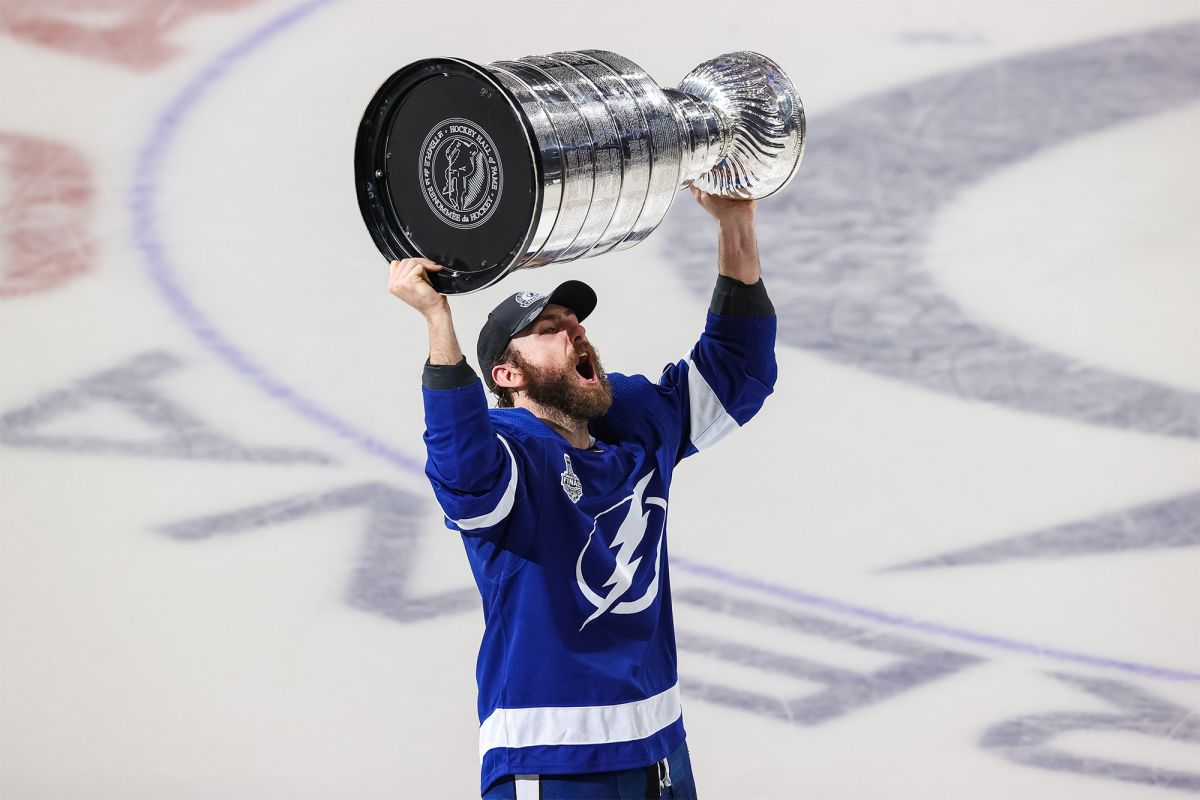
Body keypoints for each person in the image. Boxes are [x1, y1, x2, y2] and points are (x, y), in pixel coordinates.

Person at [388, 187, 777, 799]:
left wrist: (734, 223)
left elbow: (739, 372)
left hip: (660, 750)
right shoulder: (511, 447)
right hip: (556, 760)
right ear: (509, 376)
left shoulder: (631, 427)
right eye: (549, 330)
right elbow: (463, 472)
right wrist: (439, 323)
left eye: (574, 324)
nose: (575, 334)